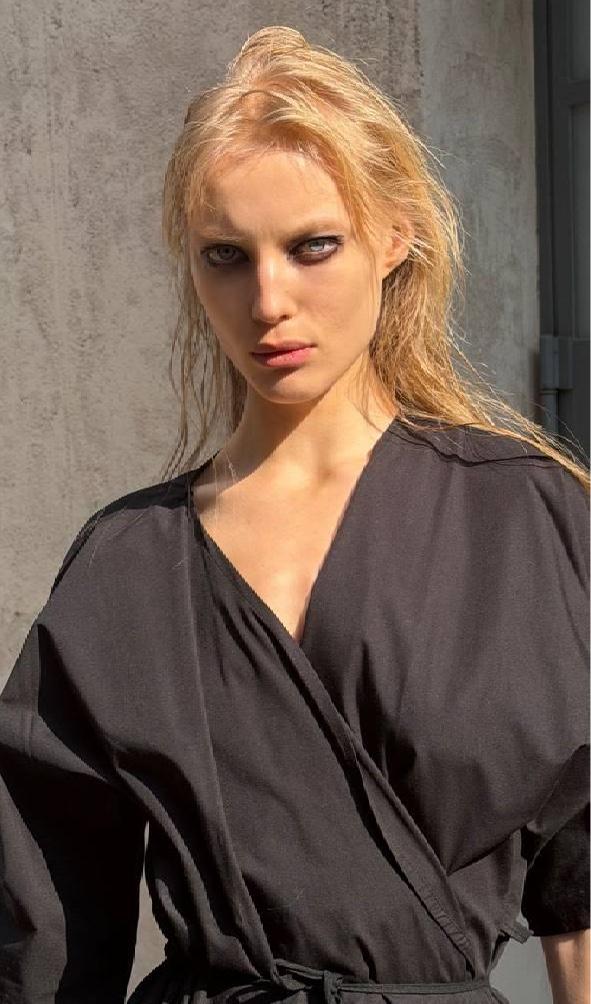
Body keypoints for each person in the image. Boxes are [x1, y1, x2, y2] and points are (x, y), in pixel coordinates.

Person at [0, 24, 588, 1004]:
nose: (268, 298)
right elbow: (44, 925)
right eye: (225, 256)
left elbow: (578, 874)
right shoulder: (127, 564)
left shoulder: (524, 519)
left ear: (395, 236)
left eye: (312, 246)